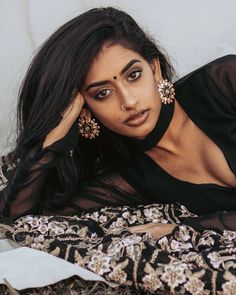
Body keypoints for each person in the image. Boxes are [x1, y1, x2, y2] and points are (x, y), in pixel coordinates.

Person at [0, 7, 235, 236]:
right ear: (84, 110)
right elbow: (19, 218)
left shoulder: (226, 83)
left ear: (154, 70)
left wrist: (190, 228)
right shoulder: (130, 177)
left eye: (133, 75)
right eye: (102, 93)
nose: (129, 101)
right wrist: (51, 139)